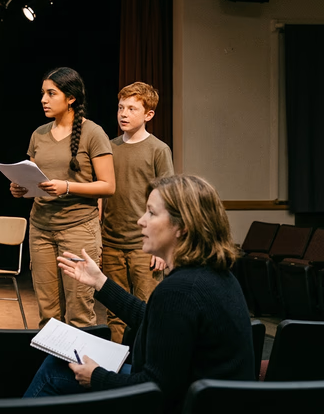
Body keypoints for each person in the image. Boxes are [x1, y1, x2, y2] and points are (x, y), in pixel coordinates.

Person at [24, 175, 254, 413]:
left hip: (181, 404)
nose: (140, 221)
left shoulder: (179, 290)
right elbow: (158, 321)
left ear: (182, 227)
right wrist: (99, 282)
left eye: (151, 213)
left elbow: (155, 390)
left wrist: (96, 377)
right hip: (206, 400)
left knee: (54, 371)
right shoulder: (215, 276)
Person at [10, 67, 115, 329]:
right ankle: (51, 370)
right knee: (48, 313)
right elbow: (33, 177)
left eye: (51, 93)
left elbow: (108, 185)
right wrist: (21, 188)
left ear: (71, 98)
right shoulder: (39, 134)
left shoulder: (93, 133)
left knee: (79, 311)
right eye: (43, 93)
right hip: (41, 228)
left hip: (78, 229)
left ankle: (82, 370)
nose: (43, 99)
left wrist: (68, 186)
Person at [101, 82, 174, 343]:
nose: (124, 113)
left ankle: (143, 369)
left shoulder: (158, 150)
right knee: (114, 313)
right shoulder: (109, 147)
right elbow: (102, 195)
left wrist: (162, 248)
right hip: (111, 243)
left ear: (148, 114)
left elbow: (168, 199)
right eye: (121, 107)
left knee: (146, 310)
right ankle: (116, 369)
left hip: (145, 246)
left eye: (132, 108)